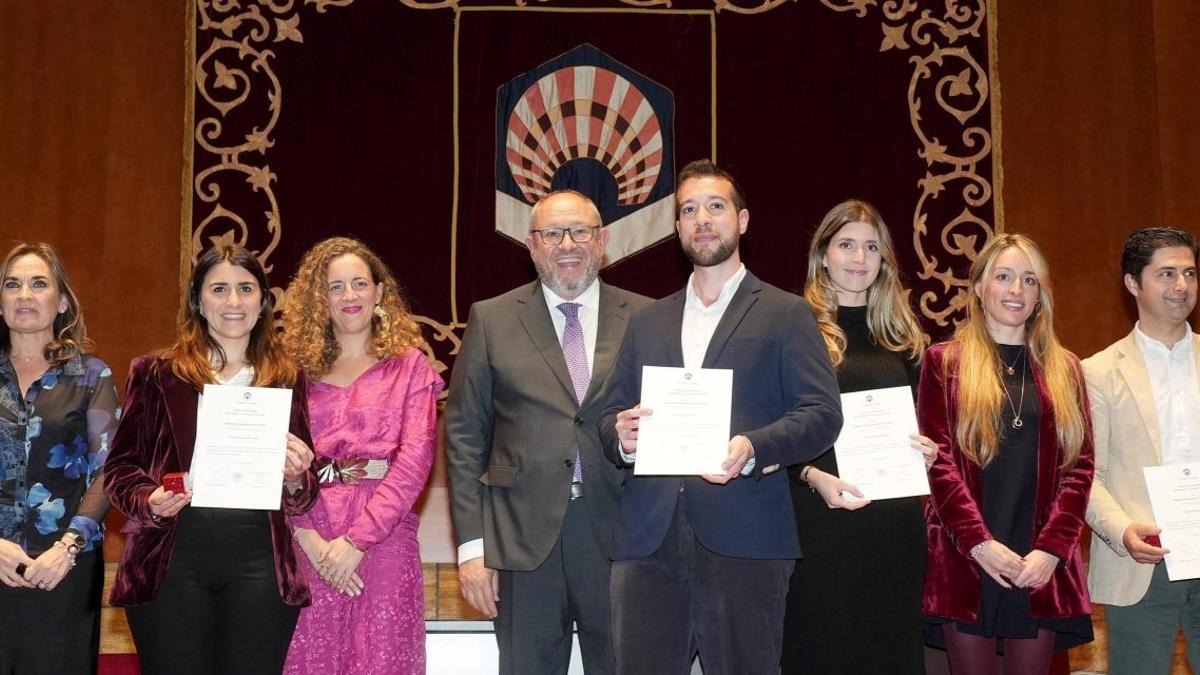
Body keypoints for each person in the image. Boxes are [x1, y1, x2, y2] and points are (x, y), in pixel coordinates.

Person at [600, 160, 843, 674]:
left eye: (715, 206)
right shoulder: (647, 320)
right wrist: (620, 436)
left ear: (743, 220)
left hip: (747, 538)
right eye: (689, 210)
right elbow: (609, 414)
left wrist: (755, 447)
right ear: (677, 227)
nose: (702, 219)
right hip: (649, 541)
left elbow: (822, 414)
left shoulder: (785, 313)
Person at [446, 190, 651, 674]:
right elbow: (464, 440)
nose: (567, 245)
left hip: (622, 537)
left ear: (602, 241)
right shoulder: (491, 318)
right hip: (521, 542)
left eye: (580, 231)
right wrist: (472, 548)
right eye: (552, 234)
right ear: (531, 245)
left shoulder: (649, 317)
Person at [104, 242, 318, 675]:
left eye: (246, 288)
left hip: (260, 560)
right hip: (172, 559)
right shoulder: (155, 372)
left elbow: (303, 495)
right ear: (198, 301)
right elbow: (119, 469)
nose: (233, 301)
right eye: (218, 289)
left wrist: (297, 476)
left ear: (263, 301)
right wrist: (149, 499)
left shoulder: (287, 377)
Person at [919, 233, 1094, 674]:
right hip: (967, 559)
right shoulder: (944, 362)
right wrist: (979, 544)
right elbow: (938, 464)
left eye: (1029, 280)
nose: (1017, 291)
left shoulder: (1066, 367)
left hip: (1039, 562)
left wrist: (1051, 550)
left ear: (1041, 295)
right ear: (979, 287)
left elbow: (1081, 466)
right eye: (1004, 277)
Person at [780, 200, 933, 674]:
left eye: (871, 247)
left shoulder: (906, 338)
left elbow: (925, 425)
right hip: (821, 522)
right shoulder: (793, 329)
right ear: (823, 254)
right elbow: (773, 432)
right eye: (846, 245)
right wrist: (811, 475)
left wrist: (926, 450)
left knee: (890, 652)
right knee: (825, 651)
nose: (859, 258)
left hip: (893, 524)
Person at [280, 237, 442, 674]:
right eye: (335, 287)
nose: (349, 296)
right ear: (320, 299)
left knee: (382, 659)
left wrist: (356, 542)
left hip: (384, 538)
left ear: (379, 293)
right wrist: (308, 538)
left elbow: (415, 462)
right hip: (311, 534)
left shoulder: (410, 367)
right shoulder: (291, 373)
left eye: (359, 284)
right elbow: (277, 461)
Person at [1084, 227, 1200, 675]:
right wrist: (1123, 529)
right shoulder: (1097, 372)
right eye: (1166, 273)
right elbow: (1084, 474)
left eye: (1189, 273)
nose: (1182, 286)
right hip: (1141, 561)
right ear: (1133, 283)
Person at [0, 243, 119, 674]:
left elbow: (111, 471)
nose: (24, 294)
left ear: (62, 301)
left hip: (63, 572)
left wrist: (68, 547)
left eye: (38, 283)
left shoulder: (92, 375)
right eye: (12, 285)